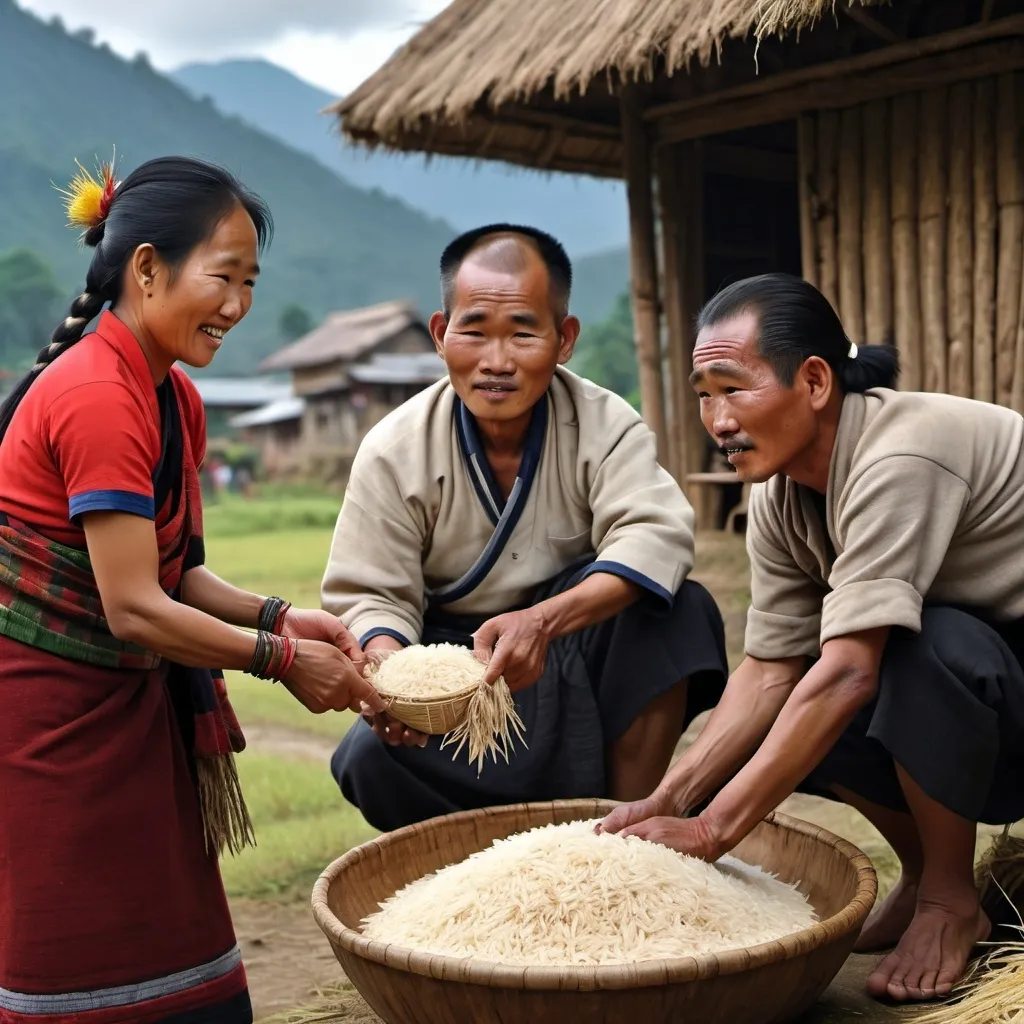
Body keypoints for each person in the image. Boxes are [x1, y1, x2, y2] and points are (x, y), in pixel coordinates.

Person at [0, 156, 384, 1024]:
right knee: (78, 963)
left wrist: (285, 617)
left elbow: (180, 575)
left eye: (251, 282)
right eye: (224, 277)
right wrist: (281, 662)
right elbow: (132, 606)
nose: (238, 305)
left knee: (176, 957)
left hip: (133, 718)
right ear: (146, 268)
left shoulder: (172, 395)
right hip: (54, 731)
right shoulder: (98, 394)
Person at [599, 273, 1024, 1005]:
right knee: (802, 704)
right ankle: (925, 869)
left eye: (733, 387)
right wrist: (668, 799)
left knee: (919, 648)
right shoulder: (778, 497)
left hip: (1002, 689)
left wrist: (713, 834)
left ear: (816, 381)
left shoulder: (902, 454)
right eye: (703, 393)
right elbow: (769, 670)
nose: (716, 417)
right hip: (983, 704)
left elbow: (850, 674)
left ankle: (952, 899)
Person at [323, 224, 728, 833]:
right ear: (441, 334)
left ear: (563, 339)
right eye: (475, 331)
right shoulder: (394, 449)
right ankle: (472, 868)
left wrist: (543, 620)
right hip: (458, 673)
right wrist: (395, 675)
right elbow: (371, 594)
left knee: (678, 613)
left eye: (522, 332)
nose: (497, 361)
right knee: (368, 759)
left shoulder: (605, 424)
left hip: (570, 646)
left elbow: (655, 536)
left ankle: (625, 833)